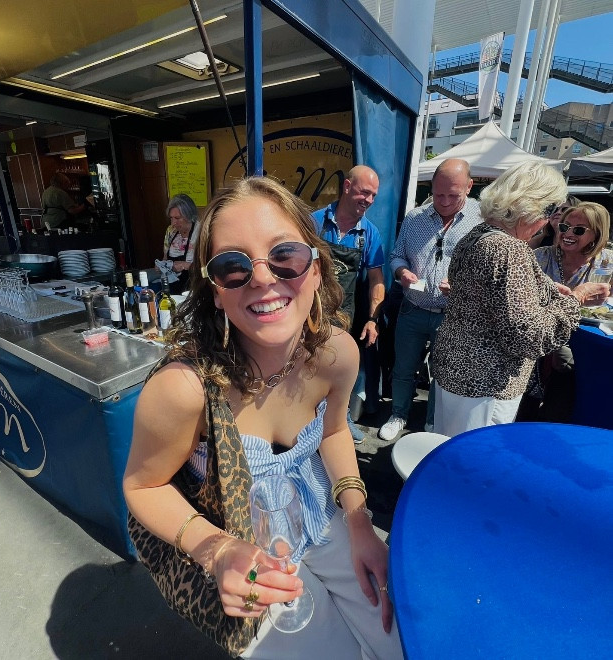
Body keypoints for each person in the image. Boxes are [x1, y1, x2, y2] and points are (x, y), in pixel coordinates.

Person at [124, 177, 400, 659]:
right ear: (215, 291)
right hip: (244, 547)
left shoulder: (337, 353)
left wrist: (359, 521)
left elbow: (334, 430)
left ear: (316, 267)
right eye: (232, 266)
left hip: (325, 517)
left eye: (284, 255)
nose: (262, 279)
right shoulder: (184, 389)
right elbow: (143, 486)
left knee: (399, 640)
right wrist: (216, 550)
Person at [432, 162, 609, 438]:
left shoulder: (478, 234)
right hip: (486, 385)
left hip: (459, 371)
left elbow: (488, 293)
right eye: (550, 211)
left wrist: (545, 289)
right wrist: (577, 298)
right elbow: (529, 338)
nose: (548, 223)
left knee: (451, 450)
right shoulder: (508, 249)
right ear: (532, 207)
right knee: (476, 459)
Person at [379, 159, 482, 442]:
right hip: (412, 309)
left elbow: (486, 272)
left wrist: (462, 286)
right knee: (403, 368)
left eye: (453, 195)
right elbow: (396, 255)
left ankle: (434, 422)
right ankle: (398, 414)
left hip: (452, 314)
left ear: (469, 187)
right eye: (438, 194)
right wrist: (401, 271)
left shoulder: (482, 221)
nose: (445, 202)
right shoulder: (415, 218)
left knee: (442, 374)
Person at [518, 201, 613, 422]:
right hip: (539, 342)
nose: (568, 233)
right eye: (564, 227)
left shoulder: (607, 261)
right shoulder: (540, 257)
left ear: (596, 234)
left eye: (578, 230)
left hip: (586, 342)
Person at [312, 165, 386, 443]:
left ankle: (340, 419)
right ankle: (306, 420)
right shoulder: (314, 222)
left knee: (341, 371)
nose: (369, 200)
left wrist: (373, 319)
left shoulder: (369, 234)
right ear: (346, 186)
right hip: (311, 310)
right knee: (307, 367)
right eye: (365, 192)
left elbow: (377, 280)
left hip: (344, 315)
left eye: (374, 195)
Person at [161, 193, 199, 293]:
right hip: (173, 287)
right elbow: (165, 257)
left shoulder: (201, 233)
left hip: (195, 288)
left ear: (189, 216)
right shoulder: (170, 231)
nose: (173, 223)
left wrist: (186, 265)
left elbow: (209, 268)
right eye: (171, 218)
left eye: (177, 218)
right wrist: (162, 265)